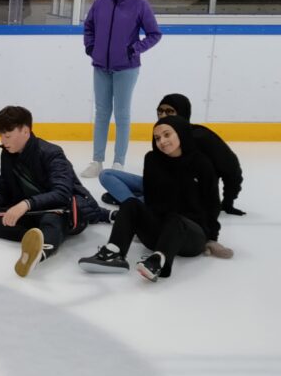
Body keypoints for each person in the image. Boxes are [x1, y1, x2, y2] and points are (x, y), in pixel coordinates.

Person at [0, 105, 108, 278]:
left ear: (25, 131)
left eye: (7, 136)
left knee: (51, 218)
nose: (3, 141)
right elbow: (3, 190)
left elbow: (62, 193)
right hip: (31, 212)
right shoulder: (7, 154)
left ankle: (40, 251)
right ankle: (37, 236)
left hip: (61, 210)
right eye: (0, 136)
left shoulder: (52, 153)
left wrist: (26, 204)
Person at [79, 116, 224, 280]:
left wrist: (212, 238)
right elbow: (152, 200)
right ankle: (114, 252)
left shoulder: (202, 163)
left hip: (190, 237)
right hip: (157, 233)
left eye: (167, 135)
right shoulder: (152, 159)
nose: (162, 141)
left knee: (175, 218)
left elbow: (213, 204)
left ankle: (158, 262)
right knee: (130, 203)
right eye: (157, 138)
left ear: (181, 134)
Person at [81, 0, 162, 177]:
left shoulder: (139, 4)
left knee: (122, 114)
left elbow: (154, 34)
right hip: (100, 67)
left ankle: (118, 162)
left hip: (126, 68)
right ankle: (97, 161)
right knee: (101, 114)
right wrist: (90, 47)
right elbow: (89, 27)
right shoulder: (100, 3)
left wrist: (134, 49)